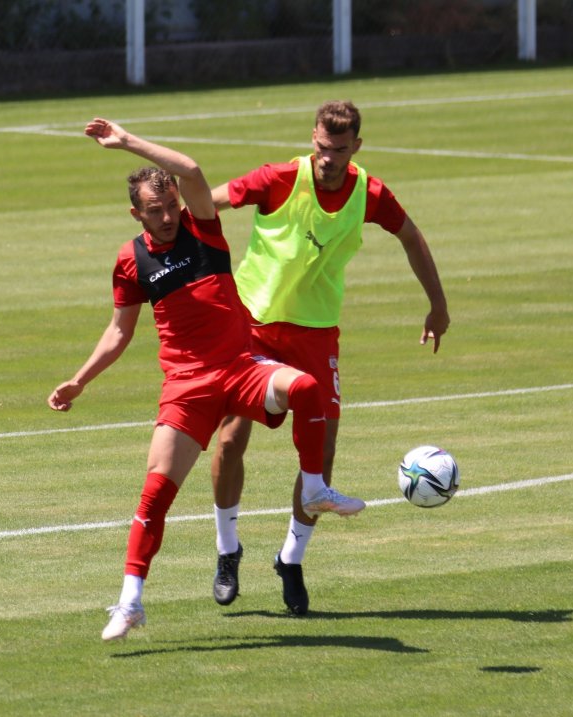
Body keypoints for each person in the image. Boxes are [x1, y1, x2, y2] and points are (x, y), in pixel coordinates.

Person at [48, 118, 366, 641]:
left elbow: (193, 171)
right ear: (136, 214)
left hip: (239, 368)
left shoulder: (202, 227)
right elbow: (118, 331)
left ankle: (313, 490)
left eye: (171, 204)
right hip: (187, 386)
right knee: (155, 494)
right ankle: (130, 603)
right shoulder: (132, 261)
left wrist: (126, 141)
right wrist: (80, 381)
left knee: (306, 389)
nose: (169, 216)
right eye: (156, 210)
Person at [211, 100, 450, 615]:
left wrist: (438, 304)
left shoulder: (370, 192)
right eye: (322, 147)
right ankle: (228, 551)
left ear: (356, 148)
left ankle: (291, 559)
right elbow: (208, 204)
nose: (328, 159)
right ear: (312, 138)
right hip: (252, 324)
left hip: (317, 334)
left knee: (324, 452)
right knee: (231, 437)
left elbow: (411, 236)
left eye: (339, 151)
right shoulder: (278, 178)